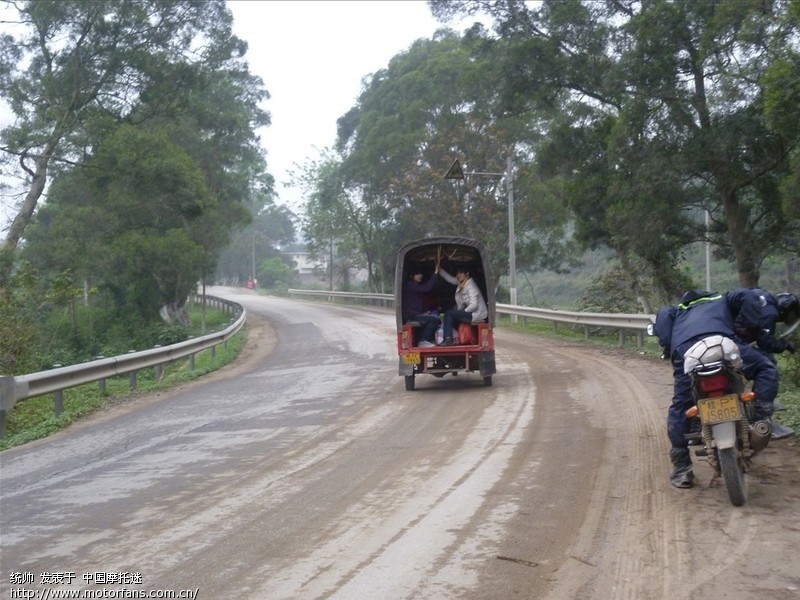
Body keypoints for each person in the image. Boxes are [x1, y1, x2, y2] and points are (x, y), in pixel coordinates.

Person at [654, 289, 779, 488]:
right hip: (722, 343)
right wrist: (747, 327)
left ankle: (681, 467)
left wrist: (669, 348)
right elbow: (749, 296)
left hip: (687, 352)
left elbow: (663, 320)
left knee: (681, 405)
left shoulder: (677, 310)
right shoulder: (723, 297)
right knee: (765, 368)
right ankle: (761, 418)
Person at [739, 290, 799, 439]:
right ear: (785, 310)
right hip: (735, 341)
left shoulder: (763, 298)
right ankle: (761, 418)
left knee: (766, 358)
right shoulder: (770, 313)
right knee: (768, 368)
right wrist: (784, 345)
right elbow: (765, 341)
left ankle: (762, 400)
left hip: (727, 336)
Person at [438, 266, 488, 346]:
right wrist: (440, 271)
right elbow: (451, 280)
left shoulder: (470, 285)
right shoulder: (462, 283)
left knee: (449, 313)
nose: (458, 275)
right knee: (451, 312)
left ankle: (448, 339)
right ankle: (455, 338)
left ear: (467, 274)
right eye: (457, 273)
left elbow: (474, 305)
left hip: (476, 313)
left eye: (461, 273)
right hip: (470, 311)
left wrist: (463, 311)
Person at [401, 266, 440, 348]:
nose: (420, 276)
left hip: (415, 314)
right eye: (417, 274)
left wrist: (424, 312)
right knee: (433, 319)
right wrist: (435, 274)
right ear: (411, 276)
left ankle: (427, 339)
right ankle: (423, 341)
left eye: (421, 274)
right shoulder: (410, 285)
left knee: (434, 317)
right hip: (411, 316)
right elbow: (426, 288)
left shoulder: (414, 285)